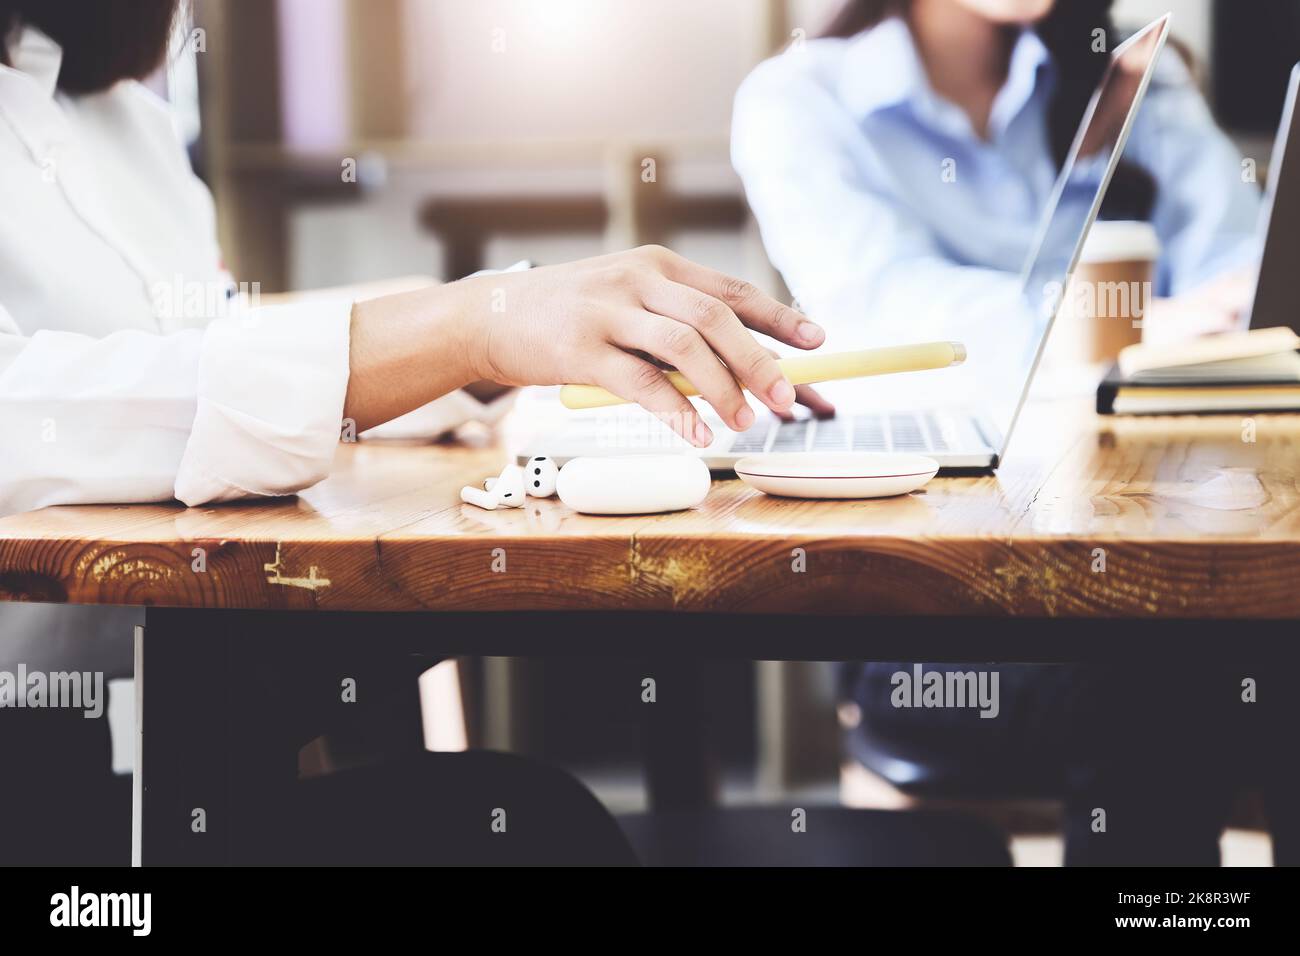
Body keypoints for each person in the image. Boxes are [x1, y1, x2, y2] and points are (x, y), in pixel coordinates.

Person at [0, 0, 828, 864]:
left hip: (184, 724)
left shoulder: (121, 117)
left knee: (530, 813)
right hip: (57, 777)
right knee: (536, 831)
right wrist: (463, 326)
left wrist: (480, 345)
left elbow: (199, 349)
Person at [731, 0, 1267, 865]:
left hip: (1162, 564)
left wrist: (1188, 326)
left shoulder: (1133, 74)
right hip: (933, 616)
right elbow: (880, 322)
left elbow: (1244, 279)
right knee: (1166, 678)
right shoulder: (800, 99)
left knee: (1191, 658)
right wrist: (1129, 331)